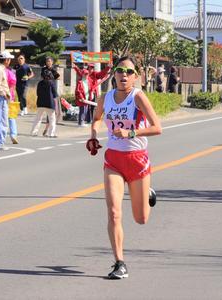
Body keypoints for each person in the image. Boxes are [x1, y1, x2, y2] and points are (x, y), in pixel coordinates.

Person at [86, 56, 162, 279]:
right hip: (114, 161)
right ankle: (119, 262)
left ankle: (147, 192)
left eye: (129, 72)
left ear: (135, 77)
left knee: (141, 219)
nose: (124, 75)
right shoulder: (105, 97)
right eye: (120, 71)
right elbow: (97, 118)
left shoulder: (138, 97)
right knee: (114, 212)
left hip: (137, 159)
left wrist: (131, 133)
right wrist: (93, 136)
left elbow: (158, 128)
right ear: (114, 74)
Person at [31, 69, 58, 137]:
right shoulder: (51, 83)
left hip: (40, 103)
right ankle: (51, 134)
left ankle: (34, 132)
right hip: (50, 103)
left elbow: (37, 93)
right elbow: (55, 95)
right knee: (52, 119)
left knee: (38, 118)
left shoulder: (40, 83)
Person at [5, 63, 19, 144]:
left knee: (0, 119)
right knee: (11, 118)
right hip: (11, 97)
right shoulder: (12, 73)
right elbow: (13, 86)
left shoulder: (2, 72)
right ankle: (13, 135)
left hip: (2, 97)